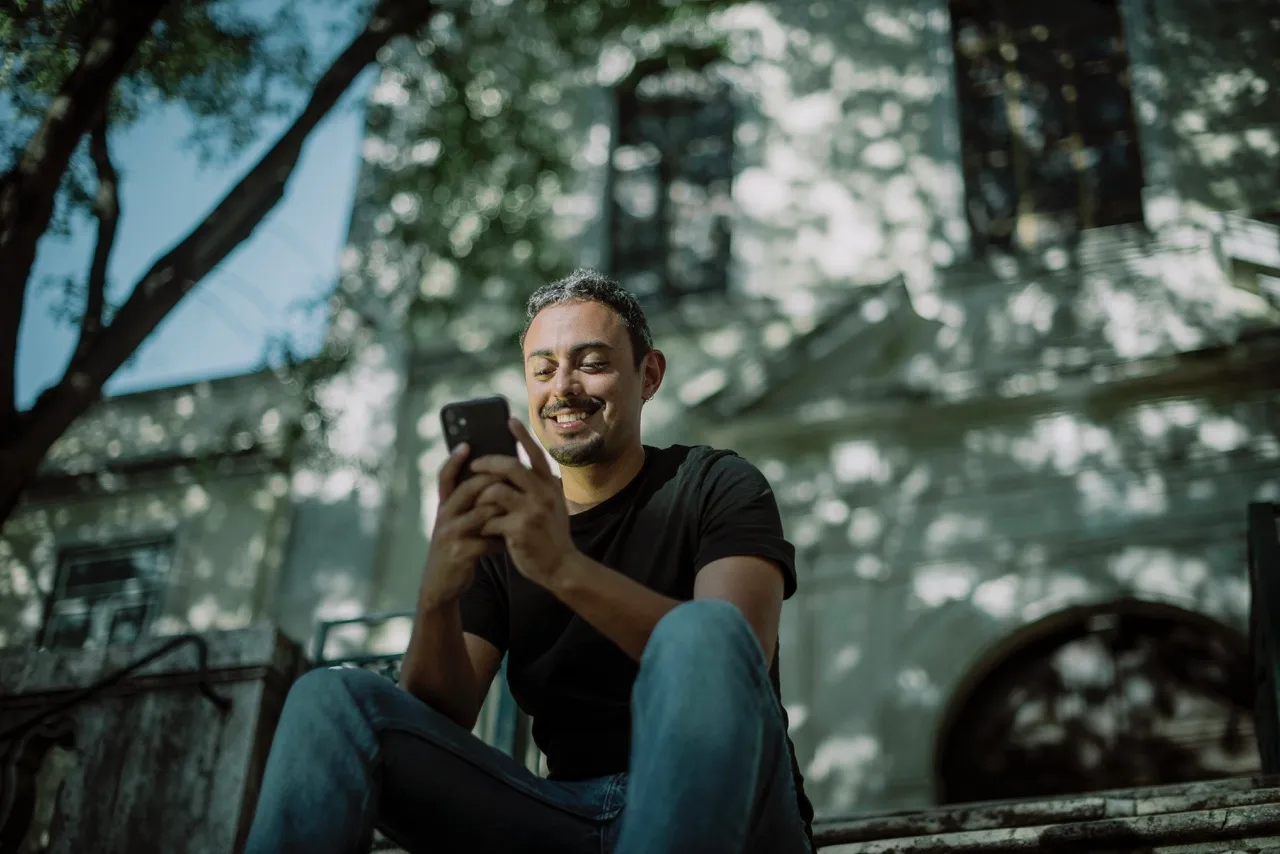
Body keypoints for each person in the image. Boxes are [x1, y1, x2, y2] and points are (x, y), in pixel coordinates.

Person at [244, 270, 815, 854]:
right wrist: (438, 592)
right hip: (563, 814)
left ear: (648, 375)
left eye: (591, 362)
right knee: (329, 699)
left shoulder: (717, 483)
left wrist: (561, 568)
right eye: (543, 370)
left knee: (703, 629)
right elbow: (440, 716)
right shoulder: (505, 531)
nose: (563, 387)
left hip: (742, 812)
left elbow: (735, 654)